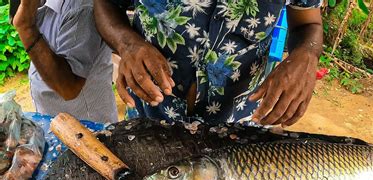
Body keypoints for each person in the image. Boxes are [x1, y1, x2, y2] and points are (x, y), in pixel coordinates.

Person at [95, 0, 323, 126]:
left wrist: (306, 56)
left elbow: (308, 23)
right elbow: (105, 4)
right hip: (151, 119)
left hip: (239, 129)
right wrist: (128, 45)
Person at [13, 0, 118, 123]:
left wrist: (26, 27)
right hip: (56, 121)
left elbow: (69, 88)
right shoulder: (41, 3)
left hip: (87, 127)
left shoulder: (81, 9)